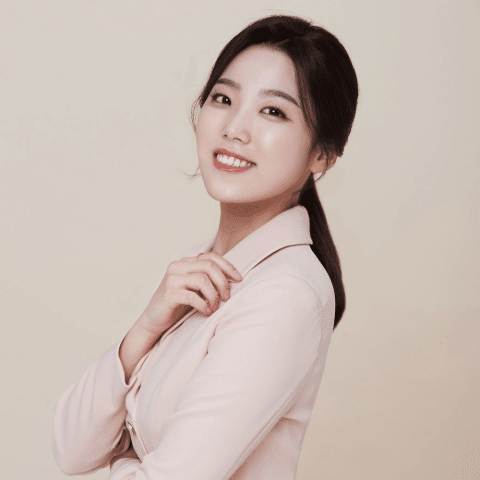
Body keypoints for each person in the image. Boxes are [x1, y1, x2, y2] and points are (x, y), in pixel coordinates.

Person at [52, 14, 358, 480]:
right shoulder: (196, 270)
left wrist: (125, 459)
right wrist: (145, 328)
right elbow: (71, 451)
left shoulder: (285, 294)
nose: (235, 128)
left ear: (323, 154)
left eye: (273, 111)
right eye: (223, 98)